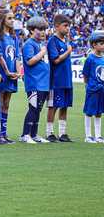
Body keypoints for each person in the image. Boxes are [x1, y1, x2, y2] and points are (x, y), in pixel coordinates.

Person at [0, 9, 21, 144]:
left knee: (7, 104)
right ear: (2, 20)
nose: (12, 21)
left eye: (13, 18)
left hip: (12, 74)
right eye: (9, 18)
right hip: (3, 74)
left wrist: (18, 71)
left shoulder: (14, 37)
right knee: (0, 103)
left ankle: (4, 133)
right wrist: (7, 71)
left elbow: (17, 56)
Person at [20, 16, 51, 144]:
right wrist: (42, 53)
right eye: (40, 29)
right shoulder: (29, 44)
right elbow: (30, 61)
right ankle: (25, 134)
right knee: (33, 108)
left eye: (44, 29)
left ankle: (34, 134)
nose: (43, 32)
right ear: (32, 30)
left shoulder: (40, 44)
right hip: (34, 82)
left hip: (43, 83)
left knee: (38, 109)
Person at [46, 14, 74, 142]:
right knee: (53, 106)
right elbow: (56, 60)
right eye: (65, 26)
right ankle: (49, 132)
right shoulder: (53, 41)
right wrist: (68, 52)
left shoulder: (65, 42)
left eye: (69, 26)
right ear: (57, 26)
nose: (68, 28)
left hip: (66, 80)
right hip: (56, 80)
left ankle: (63, 133)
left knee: (65, 106)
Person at [82, 31, 104, 143]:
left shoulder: (103, 58)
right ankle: (88, 135)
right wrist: (87, 86)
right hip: (92, 89)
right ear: (94, 45)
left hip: (102, 89)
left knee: (99, 112)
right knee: (89, 111)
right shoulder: (90, 59)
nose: (103, 45)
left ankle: (98, 135)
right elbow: (85, 75)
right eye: (101, 43)